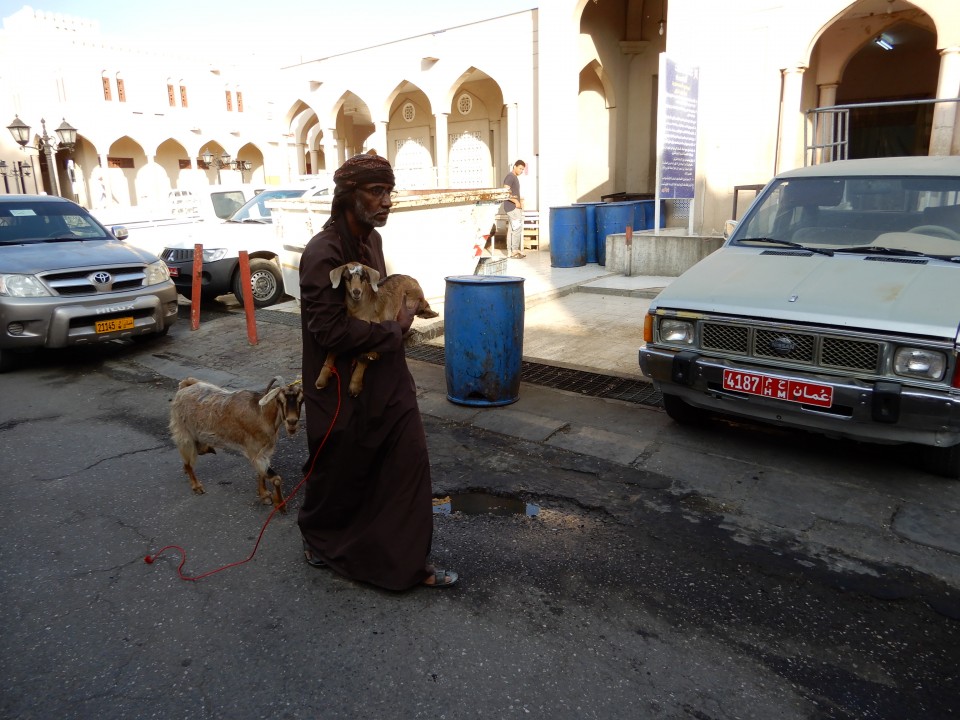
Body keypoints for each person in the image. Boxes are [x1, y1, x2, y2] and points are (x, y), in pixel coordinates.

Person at [297, 151, 458, 590]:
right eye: (375, 192)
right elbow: (330, 331)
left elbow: (375, 306)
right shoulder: (320, 254)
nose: (386, 201)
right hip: (336, 387)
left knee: (407, 461)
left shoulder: (373, 242)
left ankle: (405, 563)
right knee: (340, 471)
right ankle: (319, 536)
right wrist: (395, 329)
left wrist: (395, 320)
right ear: (349, 196)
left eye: (389, 192)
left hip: (385, 374)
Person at [502, 159, 526, 259]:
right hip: (512, 207)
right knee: (517, 228)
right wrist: (516, 202)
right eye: (520, 168)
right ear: (515, 166)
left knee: (512, 229)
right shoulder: (510, 177)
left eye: (523, 169)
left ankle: (510, 251)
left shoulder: (514, 177)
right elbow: (505, 192)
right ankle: (514, 250)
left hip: (513, 207)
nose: (521, 171)